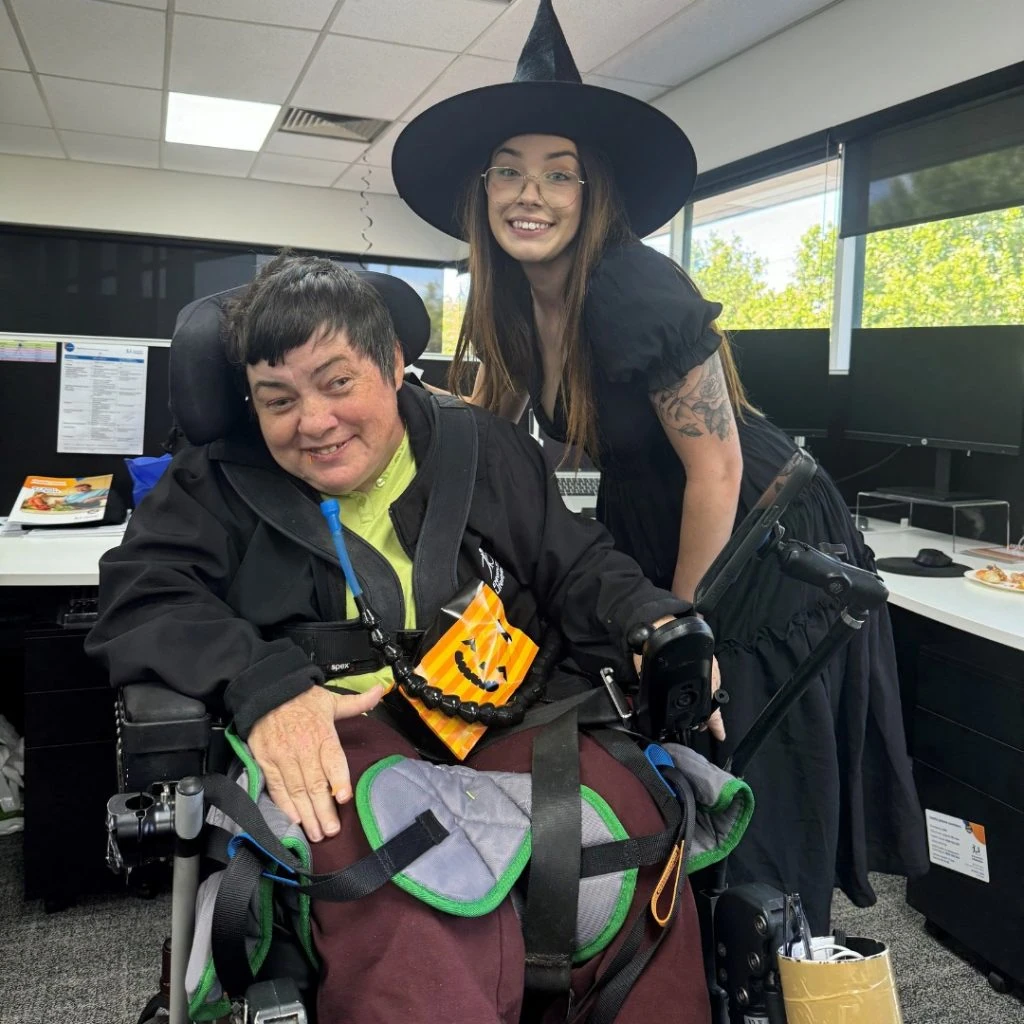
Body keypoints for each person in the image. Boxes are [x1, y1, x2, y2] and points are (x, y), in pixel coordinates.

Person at [392, 0, 927, 932]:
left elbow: (716, 468)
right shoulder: (512, 300)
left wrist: (680, 632)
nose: (533, 193)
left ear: (591, 192)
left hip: (758, 528)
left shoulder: (633, 289)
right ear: (481, 192)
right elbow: (497, 425)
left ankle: (772, 950)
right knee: (663, 747)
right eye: (510, 173)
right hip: (667, 516)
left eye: (560, 174)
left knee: (727, 741)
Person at [86, 254, 720, 1023]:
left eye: (337, 382)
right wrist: (265, 687)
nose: (312, 423)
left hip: (508, 708)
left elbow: (576, 562)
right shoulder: (211, 483)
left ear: (393, 365)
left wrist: (652, 621)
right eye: (276, 399)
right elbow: (144, 593)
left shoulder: (483, 447)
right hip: (344, 733)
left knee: (633, 840)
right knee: (407, 895)